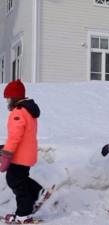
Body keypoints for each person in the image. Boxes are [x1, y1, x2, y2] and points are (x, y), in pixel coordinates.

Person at [0, 80, 52, 223]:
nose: (7, 102)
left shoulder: (19, 112)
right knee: (20, 180)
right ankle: (39, 192)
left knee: (15, 181)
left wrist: (6, 155)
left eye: (9, 98)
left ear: (15, 97)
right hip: (27, 154)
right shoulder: (28, 110)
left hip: (19, 156)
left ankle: (23, 214)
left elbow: (15, 137)